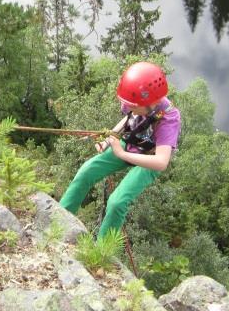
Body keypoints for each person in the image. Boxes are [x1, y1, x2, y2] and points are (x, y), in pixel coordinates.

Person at [59, 61, 180, 239]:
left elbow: (161, 162)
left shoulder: (168, 118)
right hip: (130, 143)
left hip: (149, 157)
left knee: (116, 202)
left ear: (151, 103)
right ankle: (58, 220)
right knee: (86, 171)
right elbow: (129, 119)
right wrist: (110, 138)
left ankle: (103, 252)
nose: (128, 107)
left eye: (132, 105)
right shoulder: (135, 99)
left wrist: (121, 153)